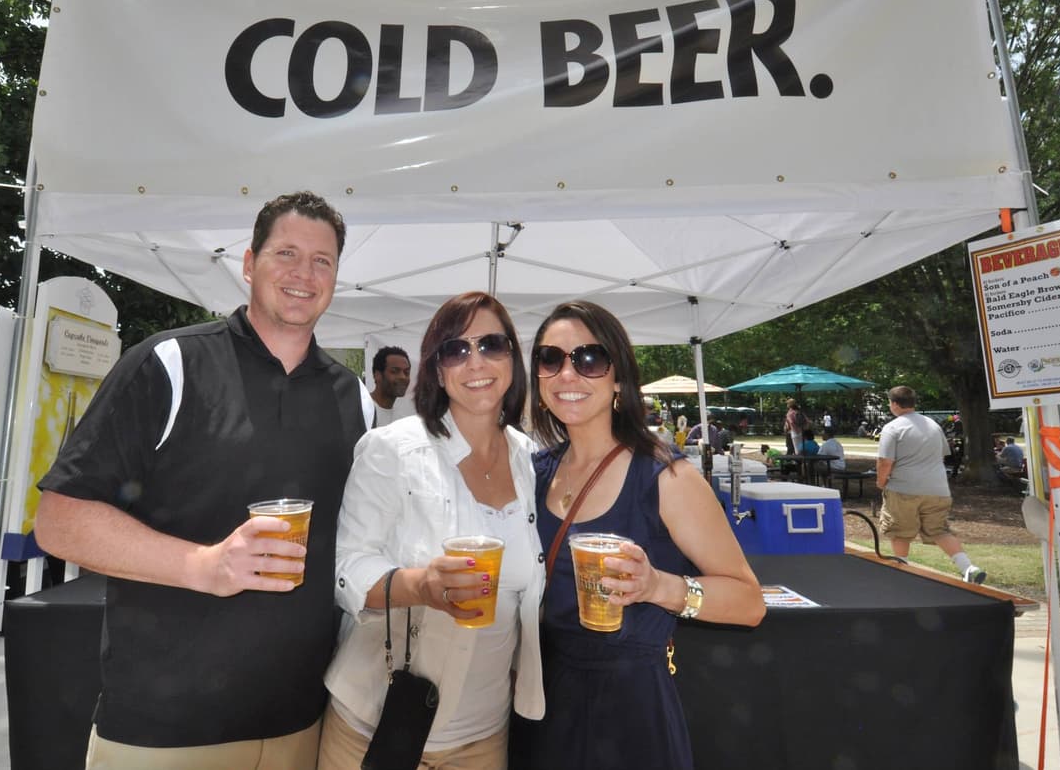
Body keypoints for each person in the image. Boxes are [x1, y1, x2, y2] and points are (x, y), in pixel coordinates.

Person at [34, 192, 372, 769]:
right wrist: (206, 566)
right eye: (285, 253)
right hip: (166, 731)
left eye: (323, 261)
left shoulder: (355, 400)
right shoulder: (169, 364)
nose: (303, 273)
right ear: (248, 263)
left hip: (301, 724)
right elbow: (60, 522)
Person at [509, 301, 764, 770]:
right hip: (540, 702)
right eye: (551, 359)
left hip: (628, 708)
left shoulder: (666, 476)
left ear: (619, 377)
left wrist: (660, 587)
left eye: (589, 359)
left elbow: (749, 602)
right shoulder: (534, 472)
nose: (568, 374)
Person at [319, 291, 544, 769]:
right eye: (455, 350)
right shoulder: (392, 449)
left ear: (512, 358)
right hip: (377, 726)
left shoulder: (532, 462)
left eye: (492, 345)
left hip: (485, 735)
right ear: (437, 370)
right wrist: (419, 585)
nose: (475, 361)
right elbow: (343, 568)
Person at [877, 386, 985, 585]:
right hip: (937, 489)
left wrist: (881, 482)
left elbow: (885, 462)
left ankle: (902, 570)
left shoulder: (892, 428)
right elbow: (943, 454)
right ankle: (968, 567)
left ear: (894, 404)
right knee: (939, 530)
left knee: (900, 531)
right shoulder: (933, 425)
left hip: (904, 488)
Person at [369, 345, 411, 427]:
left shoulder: (401, 421)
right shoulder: (362, 411)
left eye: (406, 372)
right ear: (377, 375)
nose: (403, 377)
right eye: (394, 371)